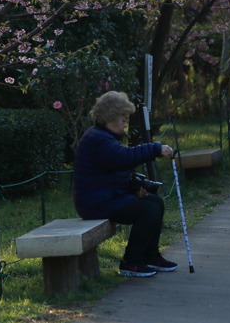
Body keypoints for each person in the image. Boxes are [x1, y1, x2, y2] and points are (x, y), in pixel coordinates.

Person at [73, 90, 177, 278]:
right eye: (122, 118)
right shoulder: (97, 139)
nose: (125, 123)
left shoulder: (104, 137)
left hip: (106, 197)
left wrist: (132, 188)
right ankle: (131, 261)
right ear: (109, 118)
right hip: (95, 203)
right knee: (147, 210)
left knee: (155, 203)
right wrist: (155, 148)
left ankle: (150, 255)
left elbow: (112, 172)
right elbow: (122, 158)